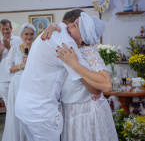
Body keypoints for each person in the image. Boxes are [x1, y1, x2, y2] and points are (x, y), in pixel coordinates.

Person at [42, 10, 118, 141]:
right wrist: (53, 27)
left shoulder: (88, 52)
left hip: (87, 114)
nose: (69, 26)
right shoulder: (68, 49)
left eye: (74, 25)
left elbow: (106, 84)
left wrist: (74, 64)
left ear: (82, 37)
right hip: (70, 113)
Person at [15, 11, 91, 141]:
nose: (83, 39)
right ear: (73, 24)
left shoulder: (46, 35)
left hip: (23, 107)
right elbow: (85, 80)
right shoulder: (66, 42)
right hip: (41, 113)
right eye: (83, 29)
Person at [2, 23, 36, 141]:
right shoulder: (15, 49)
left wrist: (32, 64)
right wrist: (22, 65)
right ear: (21, 35)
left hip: (32, 84)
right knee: (17, 113)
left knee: (30, 112)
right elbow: (7, 69)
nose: (29, 36)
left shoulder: (36, 49)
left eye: (31, 34)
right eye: (26, 34)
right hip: (17, 84)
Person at [0, 19, 22, 107]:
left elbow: (21, 57)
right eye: (3, 29)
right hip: (3, 78)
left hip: (16, 76)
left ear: (11, 29)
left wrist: (9, 48)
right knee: (8, 105)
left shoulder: (19, 40)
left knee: (18, 103)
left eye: (7, 29)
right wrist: (1, 52)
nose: (5, 31)